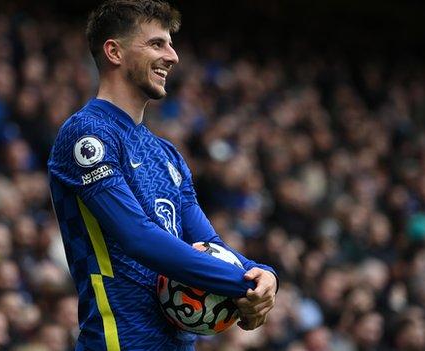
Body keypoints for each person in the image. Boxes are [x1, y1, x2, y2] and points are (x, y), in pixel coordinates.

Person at [47, 0, 278, 350]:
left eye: (170, 44)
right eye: (157, 44)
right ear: (114, 52)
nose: (173, 56)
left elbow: (209, 242)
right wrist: (242, 284)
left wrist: (261, 274)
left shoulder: (166, 153)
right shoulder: (87, 135)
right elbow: (139, 237)